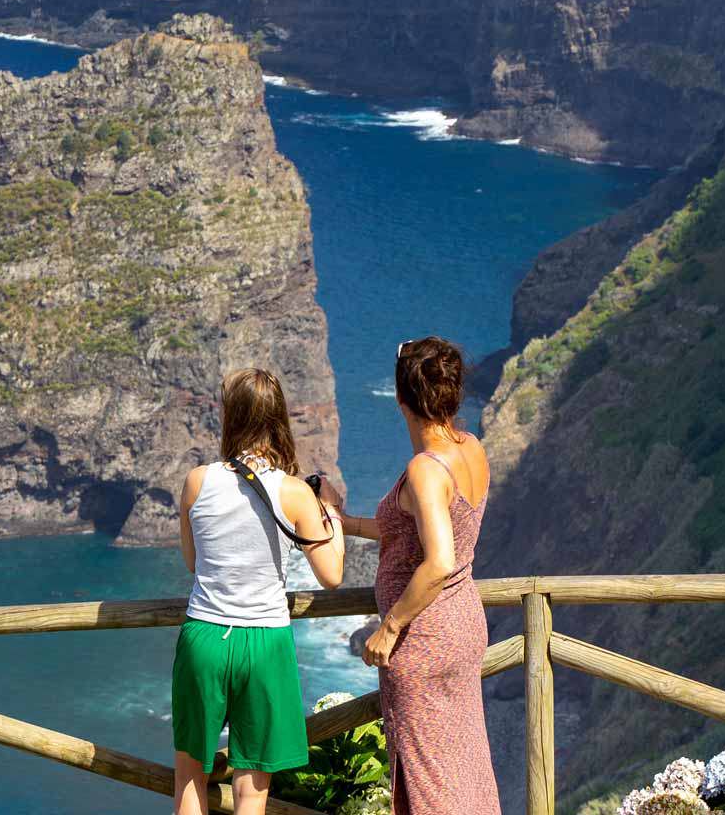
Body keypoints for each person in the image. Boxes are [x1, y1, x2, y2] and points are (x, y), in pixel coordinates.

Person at [172, 368, 346, 815]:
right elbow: (331, 575)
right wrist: (330, 510)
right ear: (279, 419)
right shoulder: (293, 492)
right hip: (265, 640)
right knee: (253, 790)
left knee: (190, 779)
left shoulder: (196, 481)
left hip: (206, 636)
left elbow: (194, 563)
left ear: (230, 418)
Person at [340, 336, 499, 814]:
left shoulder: (426, 470)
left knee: (427, 780)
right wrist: (343, 522)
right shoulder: (470, 447)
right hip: (463, 626)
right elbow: (411, 532)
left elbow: (438, 561)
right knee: (464, 769)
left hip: (425, 639)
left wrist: (388, 628)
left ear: (401, 400)